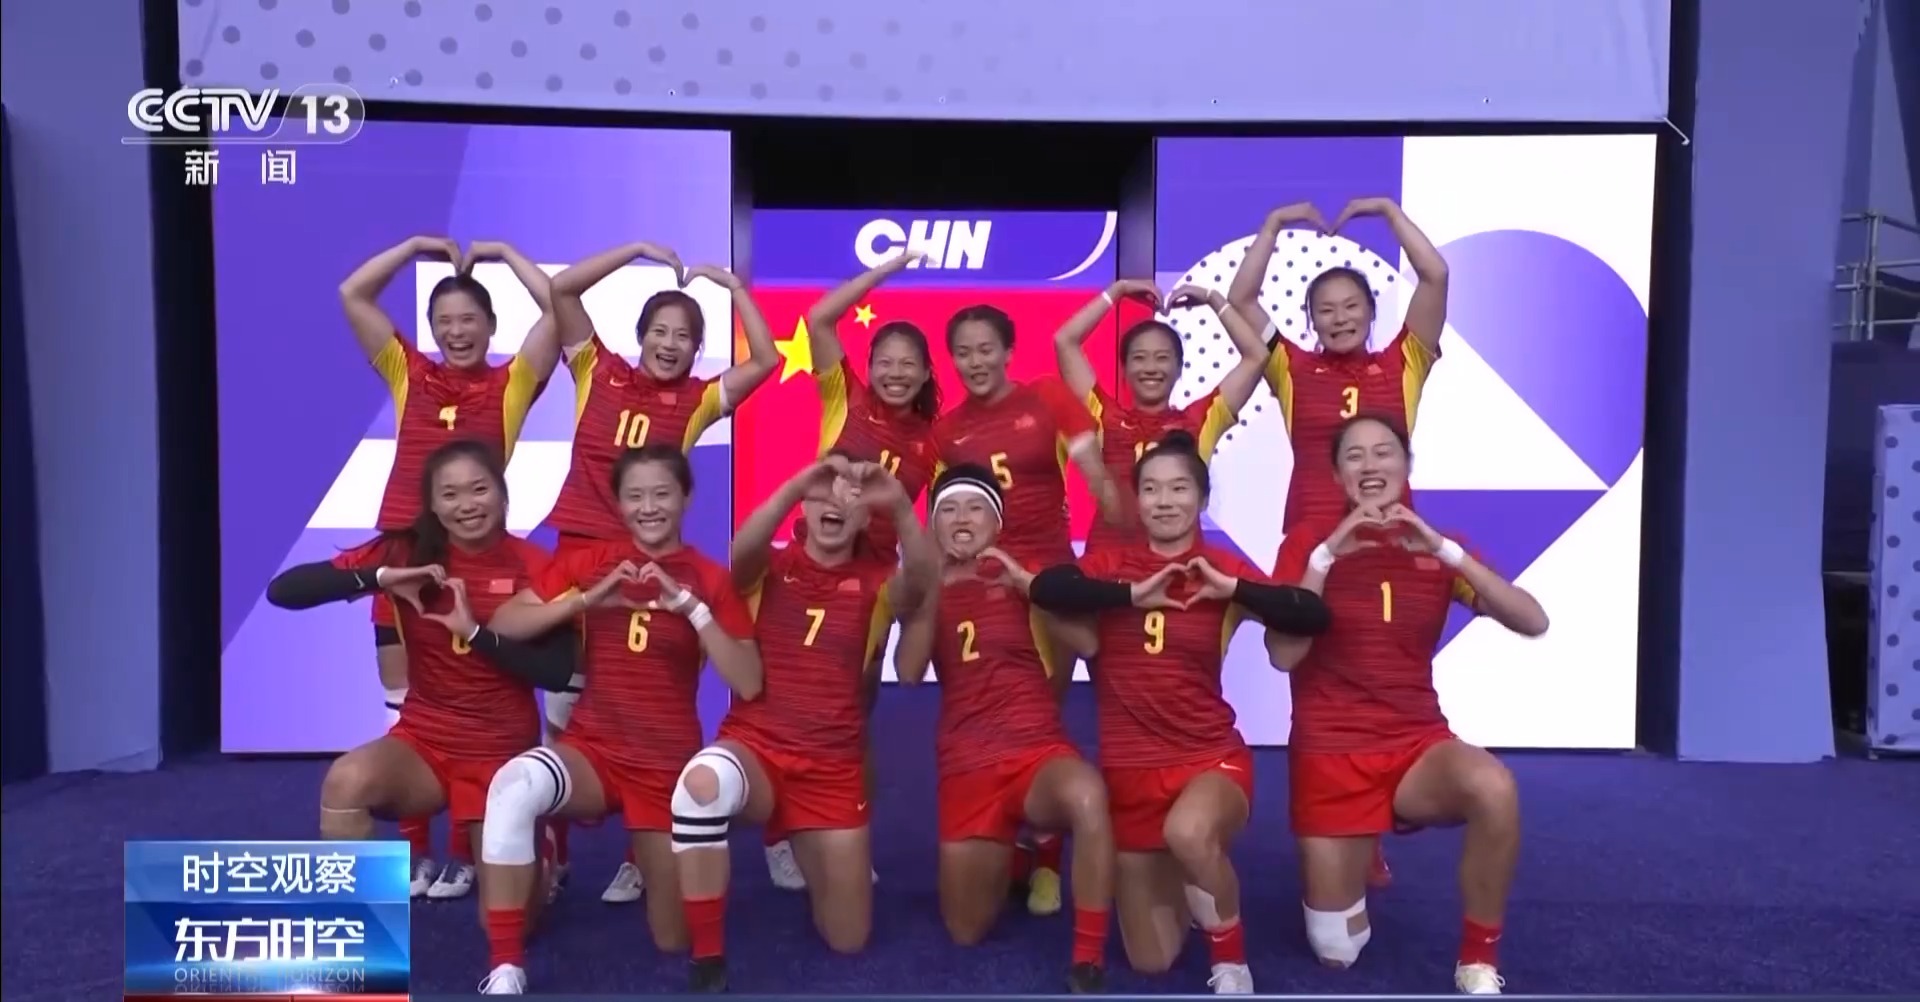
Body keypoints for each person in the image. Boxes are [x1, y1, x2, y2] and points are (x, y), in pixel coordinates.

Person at [1025, 432, 1331, 995]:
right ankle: (1193, 874)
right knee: (1151, 961)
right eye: (1151, 489)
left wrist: (1234, 588)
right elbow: (1047, 588)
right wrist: (1129, 595)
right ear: (1137, 499)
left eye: (1179, 488)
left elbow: (1309, 615)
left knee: (1188, 832)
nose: (1164, 501)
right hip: (1131, 776)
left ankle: (1232, 962)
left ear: (1202, 497)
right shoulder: (1111, 565)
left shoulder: (1220, 566)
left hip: (1208, 759)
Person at [1267, 414, 1548, 996]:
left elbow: (1533, 621)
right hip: (1331, 755)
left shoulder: (1436, 545)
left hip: (1414, 745)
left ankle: (1478, 961)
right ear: (1336, 474)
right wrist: (1326, 557)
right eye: (1355, 456)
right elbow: (1283, 655)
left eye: (1384, 453)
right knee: (1337, 951)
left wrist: (1447, 552)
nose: (1371, 466)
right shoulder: (1306, 543)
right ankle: (1360, 843)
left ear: (1406, 465)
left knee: (1494, 787)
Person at [470, 446, 763, 995]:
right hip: (593, 750)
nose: (648, 508)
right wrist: (586, 601)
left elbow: (747, 682)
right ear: (619, 504)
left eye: (661, 494)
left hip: (662, 765)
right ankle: (506, 966)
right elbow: (506, 622)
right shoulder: (593, 561)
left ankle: (618, 858)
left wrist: (693, 610)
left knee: (673, 938)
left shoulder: (709, 577)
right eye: (635, 496)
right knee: (513, 784)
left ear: (686, 498)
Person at [263, 440, 576, 951]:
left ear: (502, 494)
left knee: (509, 929)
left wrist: (478, 633)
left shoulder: (535, 565)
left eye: (479, 489)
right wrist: (380, 578)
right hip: (425, 741)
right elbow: (284, 592)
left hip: (500, 753)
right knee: (345, 781)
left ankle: (536, 851)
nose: (467, 504)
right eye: (450, 494)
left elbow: (558, 673)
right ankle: (358, 939)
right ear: (431, 504)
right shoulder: (405, 553)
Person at [540, 240, 780, 905]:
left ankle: (638, 854)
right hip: (577, 558)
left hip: (647, 569)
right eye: (661, 332)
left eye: (685, 337)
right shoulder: (596, 369)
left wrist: (734, 287)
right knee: (563, 702)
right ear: (641, 335)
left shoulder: (697, 401)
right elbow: (562, 292)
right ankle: (555, 848)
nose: (670, 345)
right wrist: (636, 251)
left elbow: (766, 361)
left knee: (645, 708)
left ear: (697, 349)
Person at [1225, 197, 1451, 887]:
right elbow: (1241, 299)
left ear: (1371, 311)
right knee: (1312, 686)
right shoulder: (1291, 368)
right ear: (1311, 320)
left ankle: (1379, 809)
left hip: (1388, 549)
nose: (1340, 317)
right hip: (1313, 547)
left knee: (1384, 675)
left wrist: (1388, 213)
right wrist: (1269, 227)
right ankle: (1336, 818)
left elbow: (1436, 275)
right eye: (1326, 310)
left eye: (1352, 306)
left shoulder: (1405, 362)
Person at [338, 237, 559, 899]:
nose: (457, 331)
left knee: (477, 710)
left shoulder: (511, 384)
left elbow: (561, 308)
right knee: (406, 711)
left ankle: (469, 851)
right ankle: (415, 854)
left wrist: (509, 255)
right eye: (444, 321)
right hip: (401, 566)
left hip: (472, 571)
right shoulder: (410, 373)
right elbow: (353, 293)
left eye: (469, 320)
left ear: (491, 326)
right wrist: (411, 248)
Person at [669, 455, 941, 992]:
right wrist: (795, 483)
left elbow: (923, 584)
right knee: (698, 787)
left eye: (849, 499)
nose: (833, 504)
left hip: (832, 770)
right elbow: (739, 554)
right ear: (802, 507)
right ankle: (708, 956)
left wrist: (900, 508)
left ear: (866, 518)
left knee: (848, 939)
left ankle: (797, 836)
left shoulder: (878, 583)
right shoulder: (769, 567)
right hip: (758, 747)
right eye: (821, 494)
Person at [894, 465, 1114, 993]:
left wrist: (1025, 584)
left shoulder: (1026, 572)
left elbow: (1088, 644)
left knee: (1088, 795)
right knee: (966, 931)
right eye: (948, 509)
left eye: (975, 508)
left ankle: (1087, 957)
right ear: (933, 525)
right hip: (968, 761)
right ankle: (1018, 851)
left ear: (997, 522)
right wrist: (929, 592)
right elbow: (907, 673)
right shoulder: (922, 586)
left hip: (1035, 748)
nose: (961, 519)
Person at [761, 249, 941, 893]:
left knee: (851, 711)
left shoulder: (934, 442)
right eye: (884, 361)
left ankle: (844, 828)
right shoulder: (845, 400)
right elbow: (818, 319)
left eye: (908, 364)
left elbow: (938, 521)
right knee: (784, 701)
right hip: (807, 568)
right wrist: (886, 271)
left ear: (926, 374)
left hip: (870, 589)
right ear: (870, 367)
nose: (895, 373)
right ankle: (778, 836)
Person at [936, 303, 1123, 915]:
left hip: (1047, 585)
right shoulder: (948, 430)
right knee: (989, 715)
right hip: (981, 588)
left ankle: (1045, 861)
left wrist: (1125, 539)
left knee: (1042, 715)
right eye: (963, 352)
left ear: (1009, 351)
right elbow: (941, 514)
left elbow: (1097, 478)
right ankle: (1003, 835)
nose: (975, 362)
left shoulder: (1047, 396)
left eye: (986, 348)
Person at [1052, 280, 1271, 554]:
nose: (1151, 368)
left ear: (1179, 368)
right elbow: (1064, 341)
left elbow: (1257, 355)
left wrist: (1212, 298)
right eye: (1139, 358)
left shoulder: (1201, 419)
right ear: (1124, 368)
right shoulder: (1104, 417)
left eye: (1162, 358)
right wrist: (1118, 290)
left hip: (1178, 566)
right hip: (1107, 566)